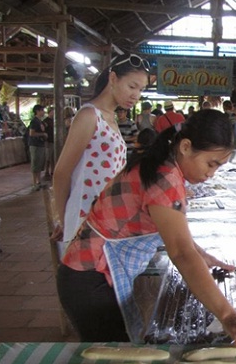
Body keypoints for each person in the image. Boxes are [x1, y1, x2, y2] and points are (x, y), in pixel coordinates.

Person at [56, 109, 236, 345]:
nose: (211, 174)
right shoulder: (164, 178)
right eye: (210, 164)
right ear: (186, 147)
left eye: (218, 167)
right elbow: (180, 252)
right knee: (110, 359)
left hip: (89, 274)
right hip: (89, 278)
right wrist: (228, 315)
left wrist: (203, 256)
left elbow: (177, 236)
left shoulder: (162, 163)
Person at [52, 53, 150, 245]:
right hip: (85, 221)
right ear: (113, 78)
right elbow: (61, 173)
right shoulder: (89, 116)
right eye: (131, 86)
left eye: (141, 90)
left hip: (107, 220)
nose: (136, 95)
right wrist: (64, 220)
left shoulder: (110, 117)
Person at [27, 104, 47, 191]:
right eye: (42, 110)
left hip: (40, 144)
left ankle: (38, 182)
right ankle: (34, 183)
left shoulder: (40, 121)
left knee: (39, 164)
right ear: (38, 111)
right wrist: (42, 134)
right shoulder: (34, 121)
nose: (43, 112)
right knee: (35, 164)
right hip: (35, 144)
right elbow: (31, 133)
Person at [43, 106, 55, 182]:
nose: (53, 113)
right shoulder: (45, 121)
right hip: (48, 141)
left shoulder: (55, 120)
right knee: (48, 157)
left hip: (53, 140)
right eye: (52, 112)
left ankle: (52, 170)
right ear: (49, 112)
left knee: (53, 157)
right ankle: (46, 170)